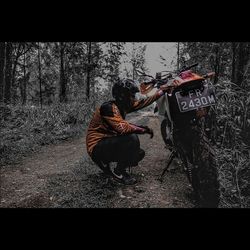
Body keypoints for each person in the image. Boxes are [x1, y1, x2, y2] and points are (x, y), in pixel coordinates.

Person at [86, 78, 169, 185]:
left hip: (108, 141)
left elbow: (144, 102)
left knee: (138, 153)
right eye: (132, 95)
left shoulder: (124, 105)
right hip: (96, 147)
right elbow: (123, 128)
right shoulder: (108, 107)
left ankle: (116, 168)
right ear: (122, 96)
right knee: (131, 138)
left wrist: (162, 91)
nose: (134, 98)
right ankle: (117, 171)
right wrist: (143, 129)